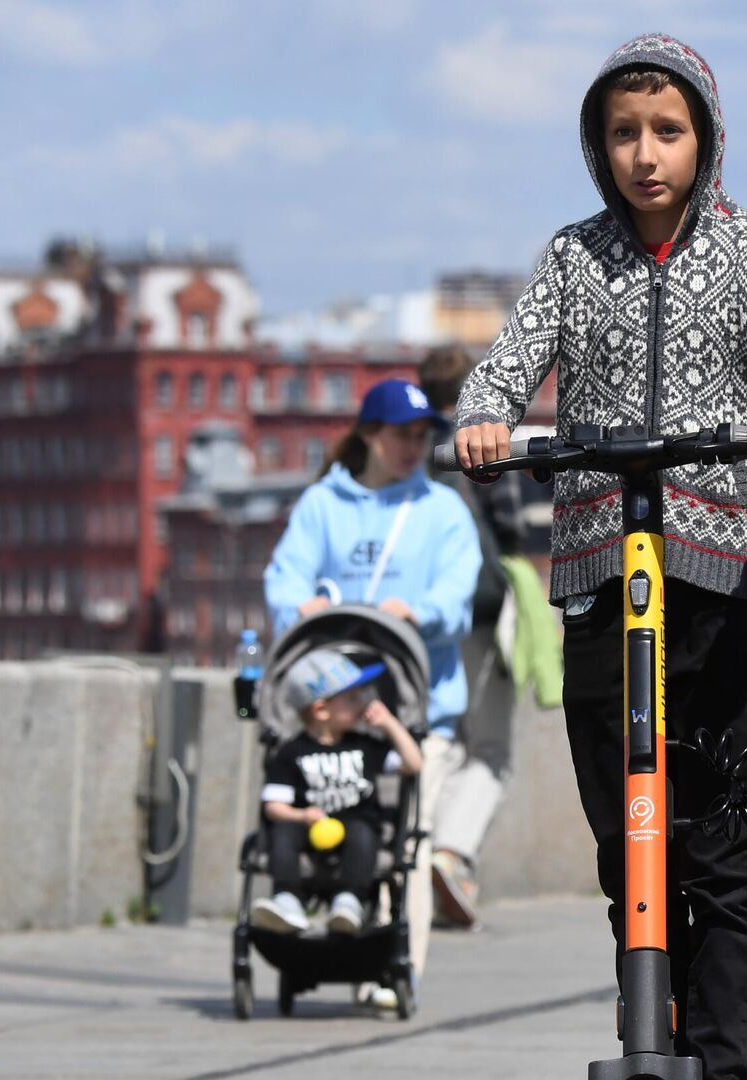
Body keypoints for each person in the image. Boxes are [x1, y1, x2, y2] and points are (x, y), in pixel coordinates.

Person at [453, 32, 747, 1080]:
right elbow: (500, 370)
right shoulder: (574, 255)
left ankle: (718, 1066)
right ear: (599, 145)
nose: (644, 154)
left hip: (723, 577)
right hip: (598, 568)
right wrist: (487, 421)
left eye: (666, 131)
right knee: (628, 841)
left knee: (721, 850)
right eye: (623, 133)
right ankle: (647, 1035)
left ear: (705, 139)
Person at [264, 377, 480, 993]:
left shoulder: (442, 512)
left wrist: (420, 612)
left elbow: (455, 597)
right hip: (333, 716)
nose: (413, 446)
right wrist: (297, 609)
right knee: (353, 837)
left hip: (418, 711)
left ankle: (395, 968)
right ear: (368, 435)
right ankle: (351, 946)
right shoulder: (321, 507)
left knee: (409, 842)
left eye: (421, 436)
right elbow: (285, 579)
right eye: (400, 435)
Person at [418, 344, 528, 931]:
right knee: (488, 748)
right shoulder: (480, 435)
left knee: (444, 738)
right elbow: (508, 525)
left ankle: (418, 854)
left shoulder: (405, 445)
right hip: (478, 611)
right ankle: (452, 851)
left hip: (413, 617)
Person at [250, 648, 424, 936]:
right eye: (352, 698)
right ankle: (287, 900)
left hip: (355, 824)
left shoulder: (365, 745)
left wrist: (390, 724)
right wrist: (302, 815)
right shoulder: (292, 752)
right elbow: (273, 805)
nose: (363, 703)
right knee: (282, 832)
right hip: (310, 823)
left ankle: (349, 901)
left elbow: (413, 764)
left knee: (364, 832)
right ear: (321, 709)